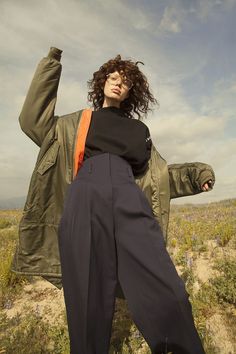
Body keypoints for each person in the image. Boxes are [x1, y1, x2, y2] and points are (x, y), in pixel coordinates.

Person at [11, 47, 215, 354]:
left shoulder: (139, 130)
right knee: (87, 300)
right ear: (102, 81)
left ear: (133, 91)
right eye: (114, 76)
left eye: (126, 81)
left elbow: (156, 177)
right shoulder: (76, 122)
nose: (118, 82)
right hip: (83, 197)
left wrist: (196, 175)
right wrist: (51, 64)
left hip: (128, 199)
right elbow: (32, 120)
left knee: (168, 290)